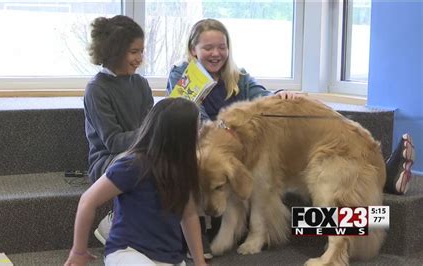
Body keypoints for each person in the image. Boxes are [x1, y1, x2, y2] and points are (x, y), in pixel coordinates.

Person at [166, 18, 416, 258]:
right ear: (193, 49)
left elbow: (260, 94)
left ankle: (379, 176)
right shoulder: (183, 77)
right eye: (208, 47)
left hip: (249, 159)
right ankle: (380, 179)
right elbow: (188, 118)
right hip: (209, 154)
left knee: (312, 197)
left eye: (222, 47)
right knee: (300, 202)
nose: (216, 53)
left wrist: (280, 94)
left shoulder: (236, 76)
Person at [64, 98, 207, 266]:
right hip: (127, 251)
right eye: (197, 127)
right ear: (180, 136)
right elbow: (87, 201)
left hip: (168, 257)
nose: (200, 132)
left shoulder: (184, 170)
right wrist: (78, 251)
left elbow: (189, 215)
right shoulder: (133, 164)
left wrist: (200, 262)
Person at [82, 15, 153, 245]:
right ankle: (113, 220)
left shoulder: (141, 84)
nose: (139, 59)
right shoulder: (97, 89)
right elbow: (112, 141)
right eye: (134, 52)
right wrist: (152, 134)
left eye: (141, 51)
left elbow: (150, 122)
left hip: (140, 151)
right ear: (115, 51)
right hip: (107, 160)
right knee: (138, 161)